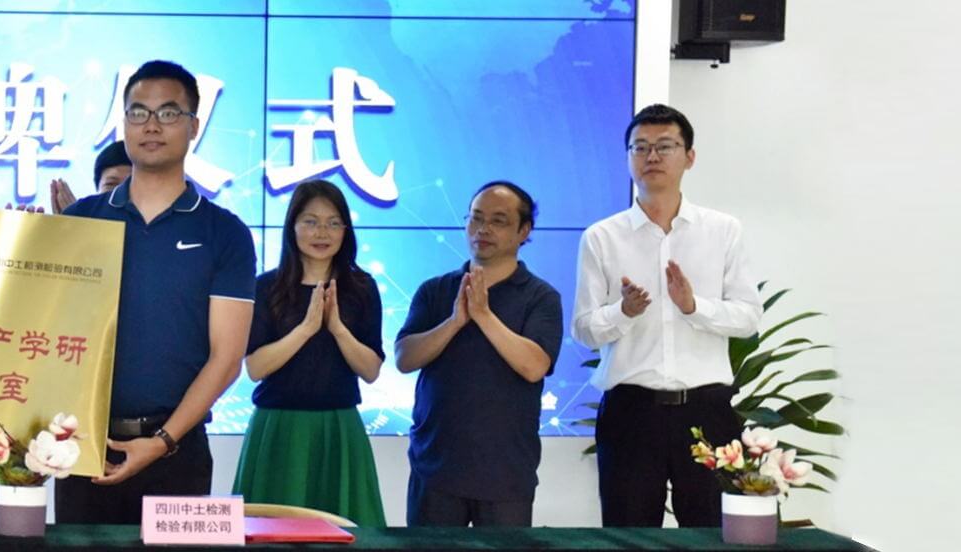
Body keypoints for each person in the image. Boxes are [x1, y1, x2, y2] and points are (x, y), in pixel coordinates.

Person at [57, 60, 256, 524]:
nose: (151, 125)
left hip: (177, 453)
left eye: (168, 113)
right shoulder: (81, 221)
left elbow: (227, 358)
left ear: (193, 126)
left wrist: (162, 440)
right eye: (138, 112)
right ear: (123, 122)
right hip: (85, 446)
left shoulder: (224, 232)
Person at [573, 104, 760, 527]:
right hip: (631, 411)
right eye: (639, 147)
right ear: (628, 158)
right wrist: (623, 312)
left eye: (664, 146)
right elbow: (584, 329)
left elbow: (748, 317)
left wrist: (694, 307)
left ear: (689, 157)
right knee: (629, 532)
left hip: (706, 410)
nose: (651, 156)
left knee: (711, 531)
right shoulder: (601, 237)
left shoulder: (723, 230)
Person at [395, 181, 562, 527]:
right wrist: (455, 322)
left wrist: (484, 315)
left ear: (524, 231)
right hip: (436, 469)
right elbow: (405, 358)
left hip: (506, 474)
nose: (483, 229)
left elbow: (534, 366)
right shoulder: (436, 289)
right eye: (476, 218)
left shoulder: (541, 297)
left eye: (498, 221)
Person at [231, 179, 387, 526]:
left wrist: (337, 328)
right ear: (293, 226)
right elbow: (255, 368)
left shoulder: (361, 287)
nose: (322, 233)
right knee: (271, 529)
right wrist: (305, 328)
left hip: (339, 428)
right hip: (279, 427)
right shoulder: (267, 286)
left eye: (333, 223)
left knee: (346, 529)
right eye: (311, 221)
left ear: (345, 230)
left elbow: (371, 370)